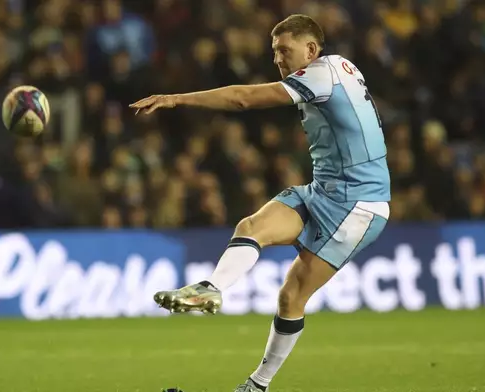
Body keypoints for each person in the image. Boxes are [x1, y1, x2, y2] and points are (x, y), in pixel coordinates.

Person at [130, 14, 391, 392]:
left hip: (359, 205)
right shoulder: (341, 68)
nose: (278, 60)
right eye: (274, 52)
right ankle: (211, 288)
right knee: (250, 227)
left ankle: (257, 386)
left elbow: (243, 98)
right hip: (324, 190)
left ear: (311, 49)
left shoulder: (321, 73)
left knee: (292, 296)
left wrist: (175, 99)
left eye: (284, 51)